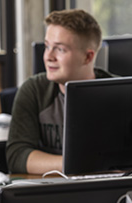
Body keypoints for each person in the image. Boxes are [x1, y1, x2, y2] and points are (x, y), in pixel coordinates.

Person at [6, 9, 115, 175]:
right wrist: (80, 164)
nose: (48, 56)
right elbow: (17, 156)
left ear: (87, 57)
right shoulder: (33, 90)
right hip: (49, 190)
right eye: (47, 46)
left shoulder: (120, 92)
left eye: (60, 49)